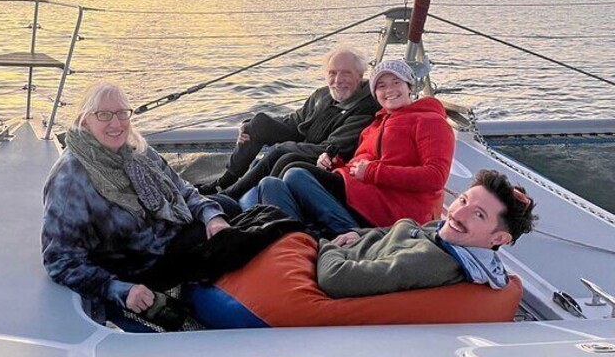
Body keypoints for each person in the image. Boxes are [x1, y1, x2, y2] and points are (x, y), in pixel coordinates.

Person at [41, 82, 240, 322]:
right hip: (139, 266)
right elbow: (59, 260)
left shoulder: (136, 152)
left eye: (122, 113)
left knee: (226, 207)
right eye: (104, 115)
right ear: (85, 121)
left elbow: (182, 189)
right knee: (231, 239)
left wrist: (212, 217)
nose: (116, 124)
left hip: (167, 236)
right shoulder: (71, 177)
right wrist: (120, 290)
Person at [258, 59, 455, 235]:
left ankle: (348, 234)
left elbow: (435, 176)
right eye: (381, 86)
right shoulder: (374, 126)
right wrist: (335, 163)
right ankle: (296, 238)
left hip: (396, 212)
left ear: (410, 86)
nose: (389, 90)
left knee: (295, 174)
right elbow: (359, 162)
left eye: (397, 82)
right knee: (270, 184)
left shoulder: (429, 121)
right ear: (375, 93)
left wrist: (373, 172)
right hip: (362, 197)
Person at [316, 169, 537, 298]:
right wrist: (357, 235)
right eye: (463, 200)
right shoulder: (449, 238)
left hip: (327, 259)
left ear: (498, 239)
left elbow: (335, 278)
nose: (458, 213)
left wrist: (328, 246)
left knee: (292, 178)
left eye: (478, 215)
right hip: (352, 244)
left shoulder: (429, 262)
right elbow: (410, 230)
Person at [198, 47, 380, 198]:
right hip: (307, 142)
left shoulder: (366, 106)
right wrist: (248, 126)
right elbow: (295, 121)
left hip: (327, 160)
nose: (338, 81)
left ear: (360, 75)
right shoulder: (322, 95)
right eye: (332, 73)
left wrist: (290, 147)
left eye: (346, 73)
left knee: (283, 152)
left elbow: (333, 148)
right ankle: (225, 182)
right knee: (259, 122)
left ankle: (230, 196)